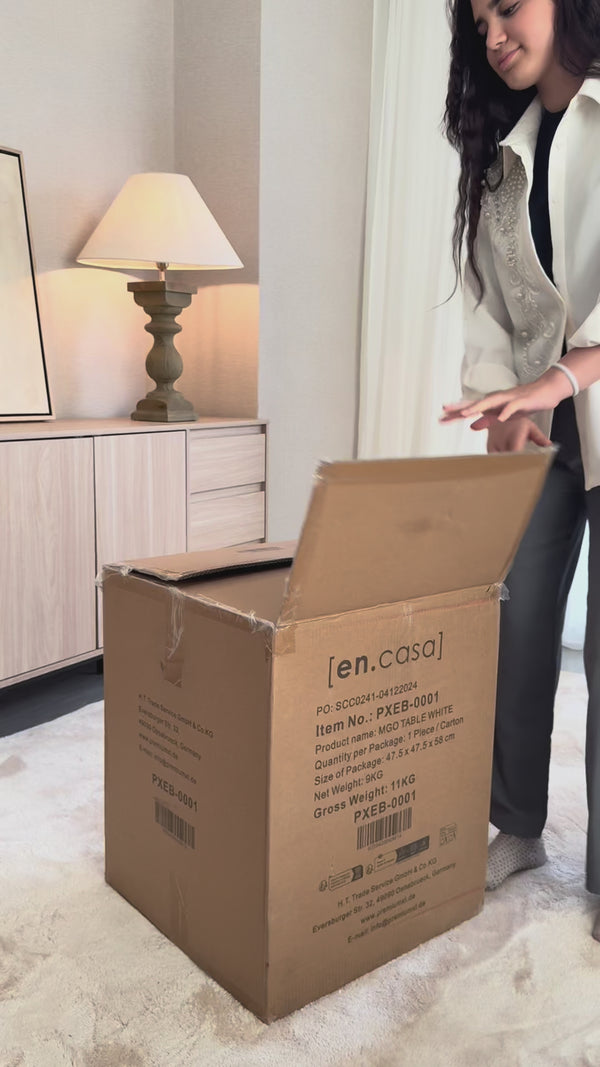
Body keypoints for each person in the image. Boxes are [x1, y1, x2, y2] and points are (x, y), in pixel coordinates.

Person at [441, 0, 600, 940]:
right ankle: (520, 824)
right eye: (479, 21)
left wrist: (561, 377)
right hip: (543, 432)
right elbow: (488, 307)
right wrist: (500, 403)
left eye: (508, 6)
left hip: (588, 396)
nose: (494, 33)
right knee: (518, 620)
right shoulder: (502, 160)